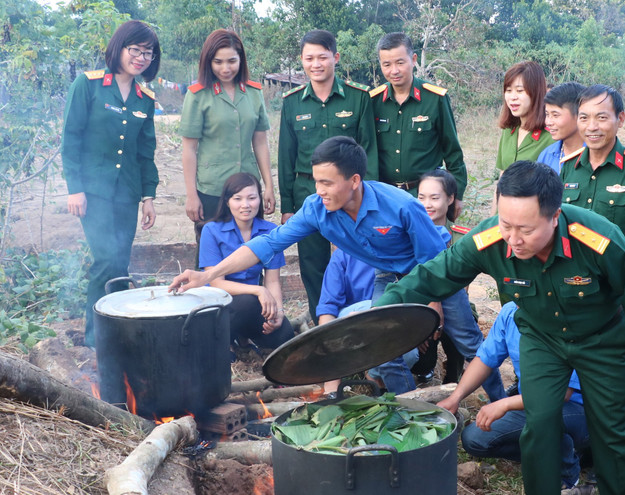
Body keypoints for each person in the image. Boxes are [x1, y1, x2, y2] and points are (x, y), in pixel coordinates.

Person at [374, 160, 625, 495]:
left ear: (555, 217)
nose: (513, 239)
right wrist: (378, 314)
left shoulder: (597, 239)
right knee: (539, 425)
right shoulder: (491, 239)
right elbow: (433, 276)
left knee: (614, 430)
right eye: (506, 224)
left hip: (603, 340)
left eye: (525, 230)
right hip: (542, 339)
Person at [170, 136, 503, 399]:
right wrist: (207, 274)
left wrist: (434, 304)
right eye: (316, 181)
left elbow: (435, 262)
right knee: (384, 348)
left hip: (433, 271)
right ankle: (413, 412)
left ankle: (498, 406)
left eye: (328, 183)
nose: (319, 191)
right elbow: (266, 245)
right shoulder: (317, 209)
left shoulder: (400, 206)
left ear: (354, 180)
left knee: (469, 343)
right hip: (386, 277)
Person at [61, 20, 161, 347]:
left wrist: (148, 197)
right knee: (105, 258)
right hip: (93, 192)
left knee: (119, 261)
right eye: (135, 50)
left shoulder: (145, 98)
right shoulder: (88, 85)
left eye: (148, 53)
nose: (141, 58)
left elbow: (145, 153)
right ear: (119, 48)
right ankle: (96, 339)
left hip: (127, 194)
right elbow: (71, 139)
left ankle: (116, 334)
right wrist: (74, 188)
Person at [278, 29, 377, 325]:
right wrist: (287, 206)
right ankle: (321, 327)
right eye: (309, 58)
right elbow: (286, 156)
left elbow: (368, 152)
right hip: (306, 193)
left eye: (322, 57)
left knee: (356, 259)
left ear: (335, 57)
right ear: (302, 61)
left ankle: (357, 324)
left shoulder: (359, 98)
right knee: (312, 263)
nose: (316, 64)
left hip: (349, 196)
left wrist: (366, 200)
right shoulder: (293, 102)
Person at [438, 302, 591, 493]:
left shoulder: (569, 321)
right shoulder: (511, 311)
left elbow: (561, 394)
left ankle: (566, 474)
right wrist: (456, 397)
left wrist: (506, 403)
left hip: (578, 411)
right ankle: (557, 453)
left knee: (545, 417)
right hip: (533, 403)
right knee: (474, 439)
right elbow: (484, 358)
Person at [180, 30, 274, 254]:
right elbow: (189, 148)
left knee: (251, 251)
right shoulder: (197, 95)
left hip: (248, 187)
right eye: (218, 62)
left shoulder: (253, 93)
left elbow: (260, 142)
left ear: (241, 59)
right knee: (211, 254)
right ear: (208, 61)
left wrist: (269, 186)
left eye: (232, 61)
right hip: (212, 190)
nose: (226, 68)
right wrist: (192, 195)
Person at [560, 84, 625, 285]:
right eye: (584, 117)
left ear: (620, 119)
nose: (591, 127)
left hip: (615, 287)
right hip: (571, 283)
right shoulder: (569, 168)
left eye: (602, 117)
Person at [371, 32, 467, 218]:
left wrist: (457, 195)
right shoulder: (373, 101)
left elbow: (452, 151)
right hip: (385, 197)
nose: (394, 70)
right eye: (387, 64)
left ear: (413, 59)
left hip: (425, 199)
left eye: (400, 62)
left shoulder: (435, 99)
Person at [198, 173, 297, 351]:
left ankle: (244, 338)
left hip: (252, 305)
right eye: (238, 199)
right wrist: (258, 290)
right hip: (219, 306)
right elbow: (216, 283)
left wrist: (278, 312)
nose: (245, 205)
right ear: (227, 201)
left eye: (252, 198)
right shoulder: (211, 230)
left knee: (285, 336)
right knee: (246, 302)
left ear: (259, 199)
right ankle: (224, 343)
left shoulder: (270, 231)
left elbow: (272, 280)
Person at [413, 169, 469, 383]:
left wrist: (439, 311)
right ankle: (424, 369)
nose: (427, 204)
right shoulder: (408, 233)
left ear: (451, 198)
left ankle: (454, 376)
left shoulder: (461, 237)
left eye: (434, 198)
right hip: (420, 305)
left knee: (459, 328)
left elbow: (462, 286)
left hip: (455, 303)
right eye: (421, 197)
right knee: (422, 361)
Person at [496, 61, 554, 173]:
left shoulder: (550, 136)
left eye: (519, 91)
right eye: (508, 90)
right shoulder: (508, 130)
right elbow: (503, 174)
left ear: (536, 92)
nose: (513, 97)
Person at [536, 82, 586, 174]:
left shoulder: (596, 155)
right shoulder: (546, 156)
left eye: (555, 115)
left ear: (579, 116)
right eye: (547, 114)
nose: (548, 122)